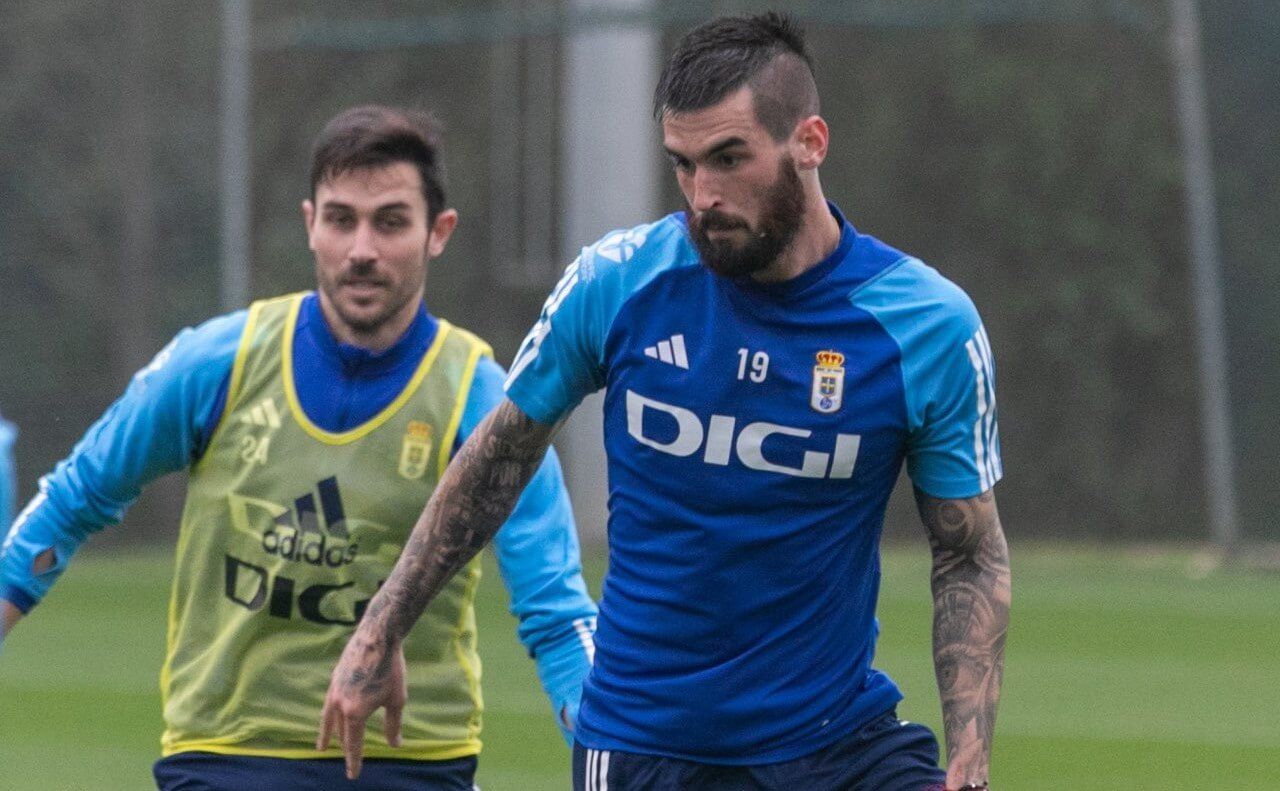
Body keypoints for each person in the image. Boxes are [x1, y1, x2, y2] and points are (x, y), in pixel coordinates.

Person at [324, 13, 1010, 791]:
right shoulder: (619, 283)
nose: (703, 195)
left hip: (839, 744)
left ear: (810, 142)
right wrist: (379, 628)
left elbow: (968, 550)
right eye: (683, 165)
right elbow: (498, 458)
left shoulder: (925, 325)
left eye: (728, 159)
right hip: (647, 749)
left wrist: (971, 756)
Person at [0, 105, 598, 791]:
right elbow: (75, 498)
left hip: (409, 762)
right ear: (310, 222)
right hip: (226, 754)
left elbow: (557, 614)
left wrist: (615, 762)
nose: (362, 248)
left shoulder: (483, 402)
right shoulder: (215, 364)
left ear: (440, 232)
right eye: (342, 219)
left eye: (391, 221)